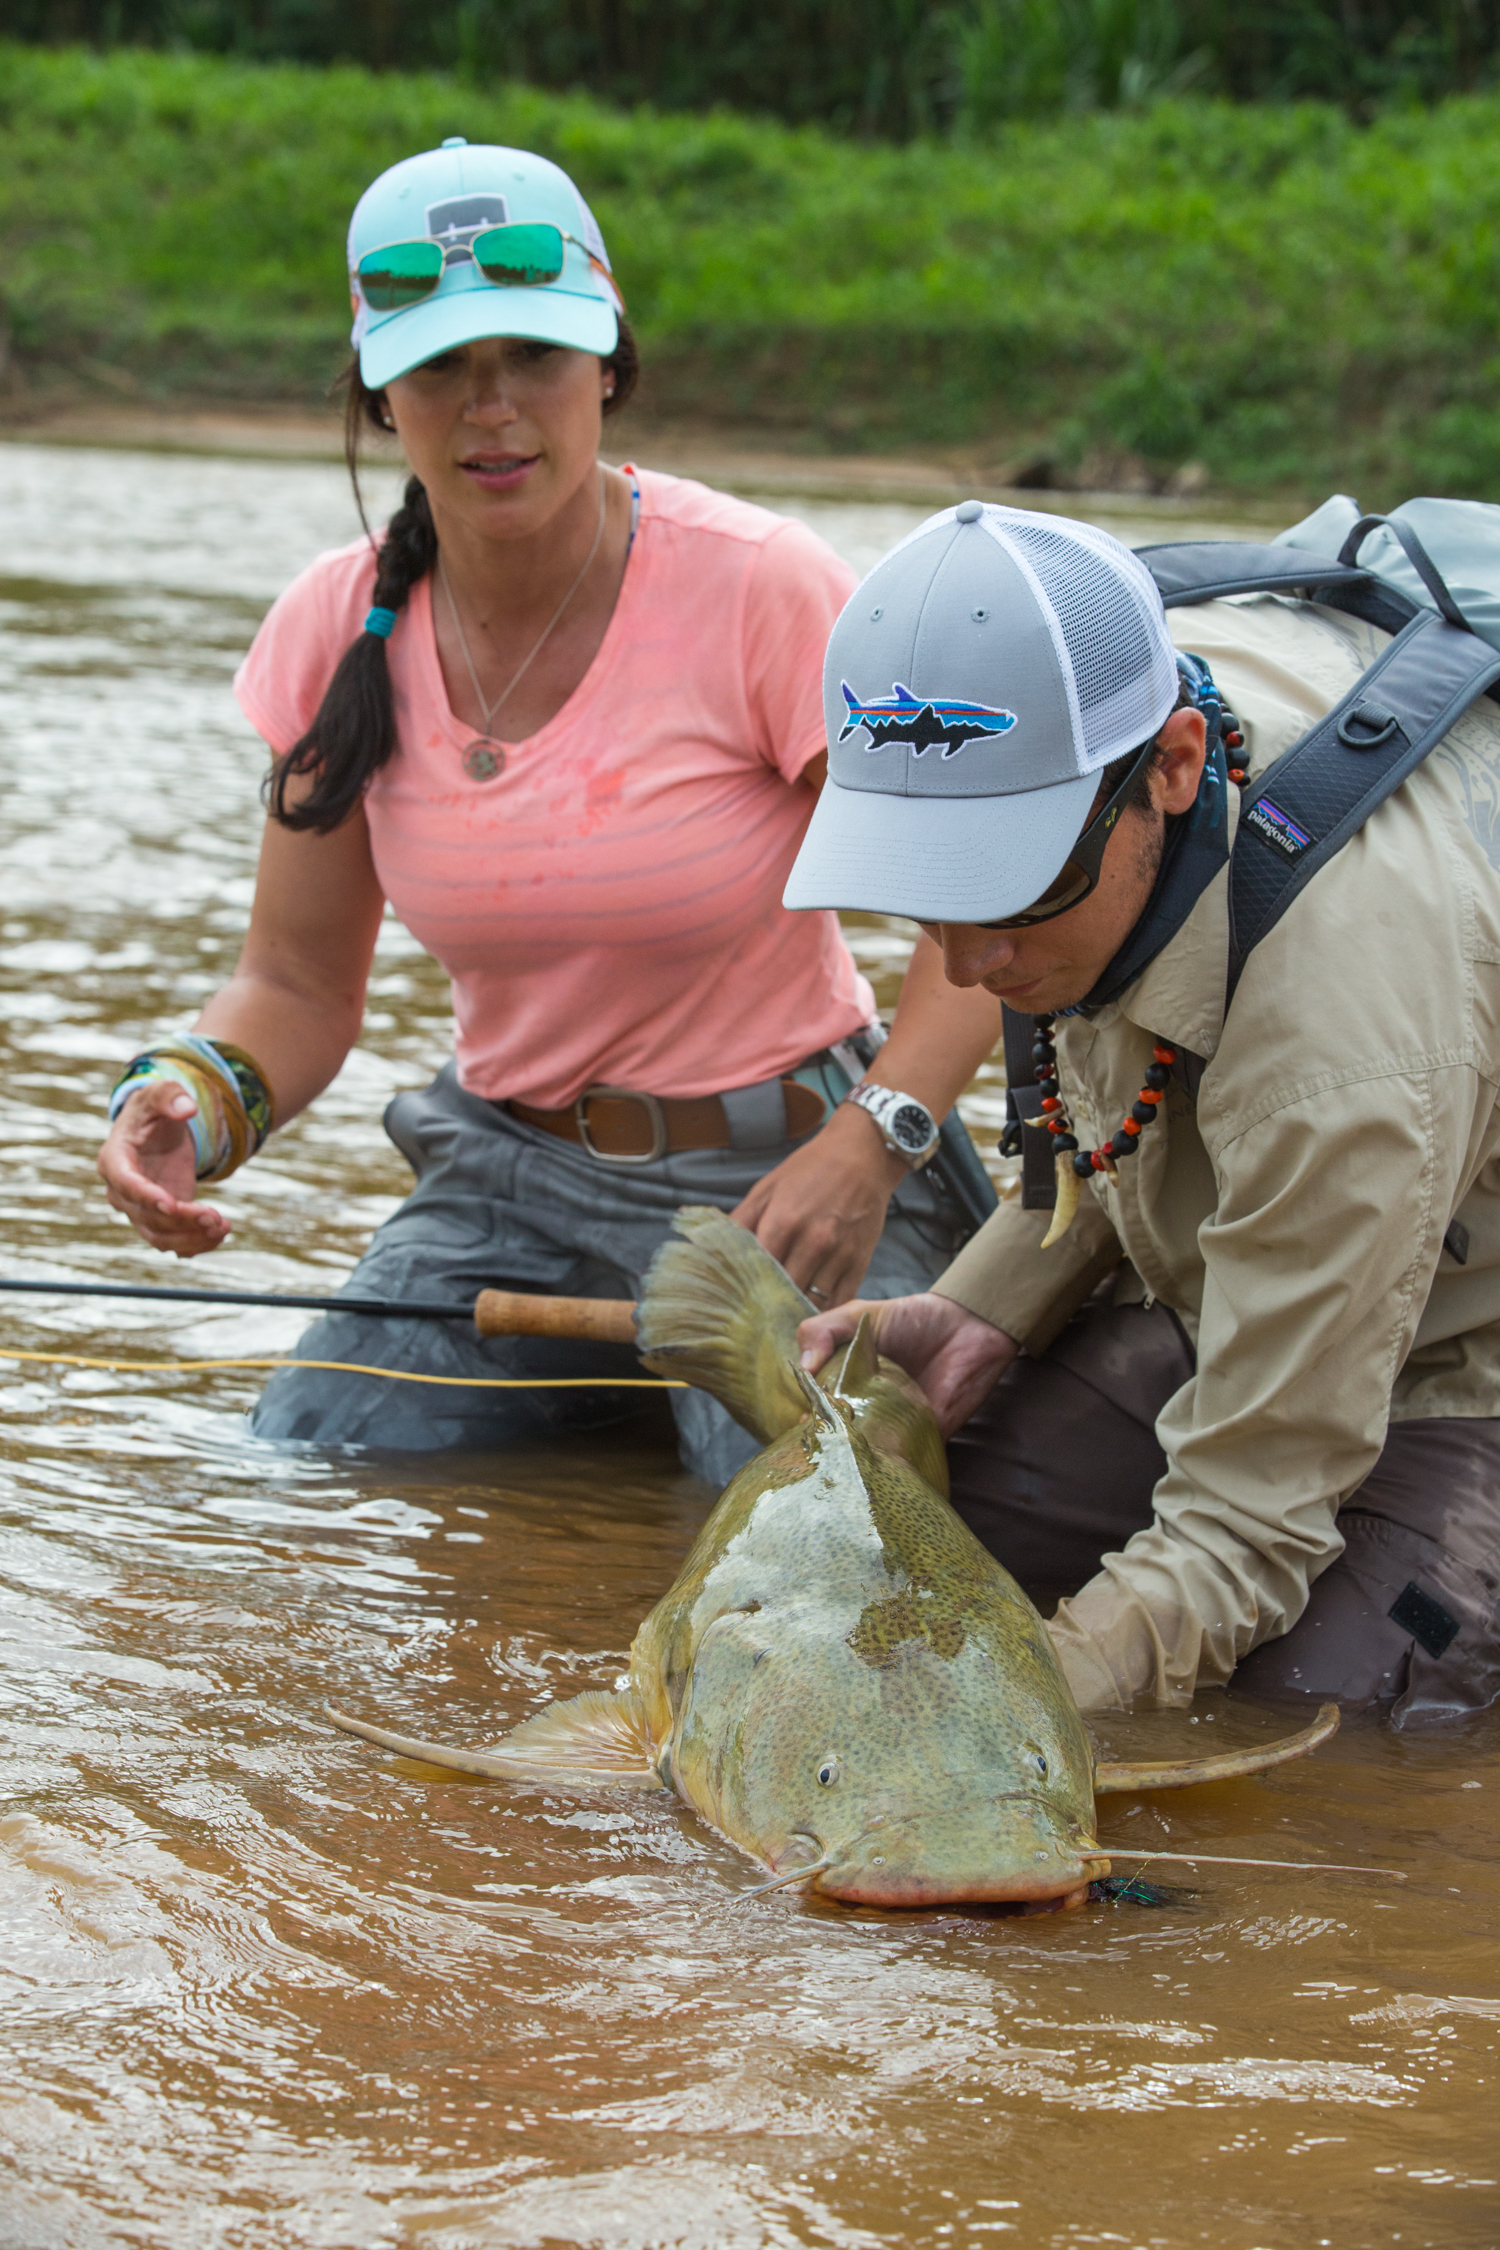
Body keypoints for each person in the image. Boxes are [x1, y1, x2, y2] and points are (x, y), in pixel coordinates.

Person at [95, 138, 1004, 1486]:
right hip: (502, 1184)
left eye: (534, 356)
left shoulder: (767, 588)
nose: (494, 408)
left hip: (785, 1184)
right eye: (444, 367)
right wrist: (187, 1097)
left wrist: (870, 1144)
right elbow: (291, 985)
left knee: (803, 1546)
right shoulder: (333, 626)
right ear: (378, 395)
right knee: (297, 1474)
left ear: (608, 371)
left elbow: (988, 922)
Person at [790, 497, 1500, 1726]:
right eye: (929, 890)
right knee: (925, 1546)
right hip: (1290, 1258)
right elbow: (1122, 1108)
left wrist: (989, 1727)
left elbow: (1242, 1527)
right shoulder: (1094, 742)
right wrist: (976, 1310)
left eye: (1008, 887)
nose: (966, 964)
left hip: (1461, 1350)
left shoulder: (1341, 1045)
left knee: (1305, 1728)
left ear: (1174, 766)